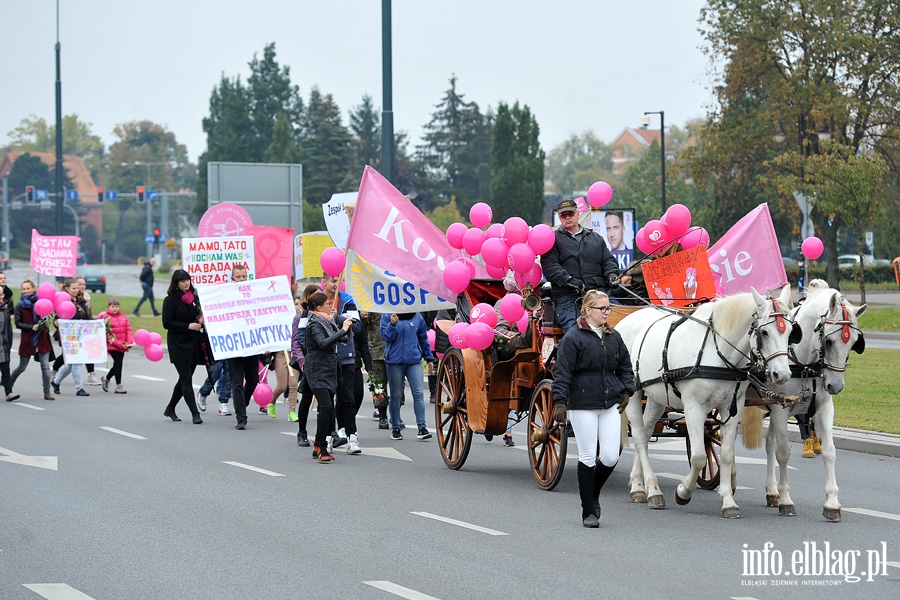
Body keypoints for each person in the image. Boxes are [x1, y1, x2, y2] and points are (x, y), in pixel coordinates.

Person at [551, 290, 634, 528]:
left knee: (610, 455)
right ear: (588, 310)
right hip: (583, 402)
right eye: (603, 308)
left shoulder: (614, 337)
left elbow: (625, 366)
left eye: (608, 308)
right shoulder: (573, 338)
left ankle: (592, 492)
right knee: (587, 456)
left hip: (610, 401)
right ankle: (589, 510)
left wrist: (627, 390)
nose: (607, 312)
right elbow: (563, 371)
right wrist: (559, 401)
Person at [541, 199, 620, 333]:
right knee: (575, 333)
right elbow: (550, 266)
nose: (567, 217)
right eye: (563, 215)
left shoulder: (596, 238)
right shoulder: (552, 240)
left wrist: (612, 275)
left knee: (620, 322)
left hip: (599, 293)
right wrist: (569, 280)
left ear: (578, 214)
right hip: (569, 296)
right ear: (559, 217)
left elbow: (608, 261)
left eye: (570, 214)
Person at [304, 291, 353, 463]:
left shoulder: (326, 321)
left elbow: (344, 337)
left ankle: (318, 444)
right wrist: (342, 330)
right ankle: (322, 447)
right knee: (325, 406)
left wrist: (338, 322)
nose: (330, 306)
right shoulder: (314, 324)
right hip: (317, 368)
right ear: (318, 307)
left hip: (329, 368)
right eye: (327, 304)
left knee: (327, 407)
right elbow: (323, 343)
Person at [322, 275, 363, 453]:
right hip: (326, 357)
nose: (335, 284)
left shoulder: (347, 300)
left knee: (348, 397)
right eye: (332, 280)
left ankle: (351, 438)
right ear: (324, 282)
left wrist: (338, 318)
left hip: (346, 357)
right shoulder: (318, 299)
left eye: (337, 280)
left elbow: (357, 327)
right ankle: (329, 437)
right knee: (328, 400)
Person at [380, 312, 436, 441]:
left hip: (413, 360)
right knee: (396, 395)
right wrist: (392, 324)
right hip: (394, 361)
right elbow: (386, 337)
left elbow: (423, 338)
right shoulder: (387, 315)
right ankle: (395, 427)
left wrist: (429, 358)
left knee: (418, 393)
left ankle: (422, 427)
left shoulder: (417, 316)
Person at [161, 269, 203, 424]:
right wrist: (188, 326)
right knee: (186, 379)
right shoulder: (170, 300)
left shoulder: (194, 298)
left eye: (188, 280)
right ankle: (195, 413)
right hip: (178, 344)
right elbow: (167, 323)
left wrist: (200, 321)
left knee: (185, 378)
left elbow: (198, 315)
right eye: (182, 281)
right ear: (176, 283)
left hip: (193, 343)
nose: (186, 283)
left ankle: (170, 407)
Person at [227, 264, 262, 431]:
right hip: (234, 346)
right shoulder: (226, 294)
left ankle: (243, 402)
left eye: (244, 276)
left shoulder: (253, 294)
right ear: (232, 278)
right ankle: (241, 417)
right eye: (238, 277)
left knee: (253, 379)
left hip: (251, 345)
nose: (241, 279)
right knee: (237, 382)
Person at [9, 280, 54, 401]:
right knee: (21, 367)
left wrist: (46, 319)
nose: (26, 291)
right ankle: (8, 386)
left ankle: (47, 391)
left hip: (42, 338)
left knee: (45, 366)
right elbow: (18, 323)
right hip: (28, 339)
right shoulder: (19, 306)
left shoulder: (42, 302)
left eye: (28, 288)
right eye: (23, 289)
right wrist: (31, 327)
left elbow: (48, 314)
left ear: (34, 289)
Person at [50, 278, 91, 397]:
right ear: (67, 289)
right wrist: (57, 323)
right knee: (76, 362)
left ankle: (56, 382)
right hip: (68, 337)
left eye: (77, 288)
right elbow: (57, 318)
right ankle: (79, 388)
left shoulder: (81, 302)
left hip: (80, 336)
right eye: (74, 288)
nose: (76, 290)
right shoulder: (63, 302)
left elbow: (87, 319)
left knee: (72, 362)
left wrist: (99, 323)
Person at [293, 284, 319, 447]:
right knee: (307, 397)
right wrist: (303, 362)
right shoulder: (300, 317)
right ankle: (302, 432)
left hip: (323, 363)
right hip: (308, 362)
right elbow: (296, 342)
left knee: (326, 400)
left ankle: (326, 434)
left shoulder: (325, 315)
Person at [97, 298, 133, 393]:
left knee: (117, 364)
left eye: (117, 306)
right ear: (108, 307)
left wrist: (128, 342)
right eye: (113, 306)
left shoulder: (123, 317)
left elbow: (128, 330)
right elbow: (107, 334)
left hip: (123, 345)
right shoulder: (106, 318)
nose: (115, 308)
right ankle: (119, 385)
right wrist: (119, 344)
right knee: (118, 362)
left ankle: (106, 378)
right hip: (113, 345)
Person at [75, 276, 100, 386]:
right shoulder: (71, 298)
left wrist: (96, 323)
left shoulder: (87, 298)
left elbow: (88, 314)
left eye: (84, 284)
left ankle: (91, 374)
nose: (82, 286)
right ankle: (55, 371)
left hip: (85, 328)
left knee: (89, 350)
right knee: (70, 355)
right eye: (79, 284)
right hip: (73, 331)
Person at [0, 272, 16, 402]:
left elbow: (7, 327)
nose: (2, 297)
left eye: (2, 295)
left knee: (5, 367)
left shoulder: (5, 309)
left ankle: (9, 392)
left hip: (2, 343)